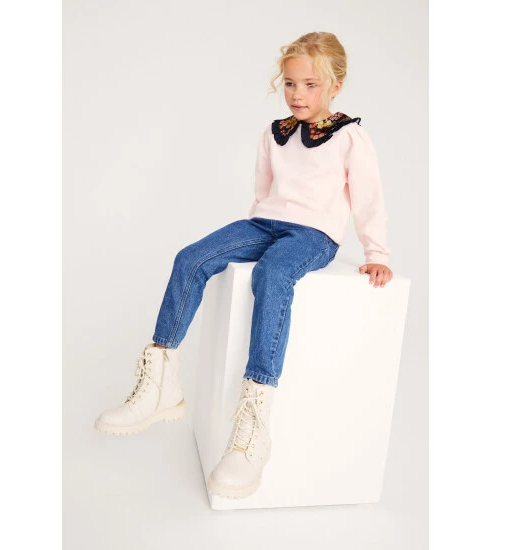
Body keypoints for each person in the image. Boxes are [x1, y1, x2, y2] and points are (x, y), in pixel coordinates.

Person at [94, 31, 394, 500]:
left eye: (310, 85)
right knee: (191, 257)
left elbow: (368, 197)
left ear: (336, 85)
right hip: (264, 222)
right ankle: (161, 380)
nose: (297, 94)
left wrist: (377, 253)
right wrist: (247, 237)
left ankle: (254, 421)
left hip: (314, 234)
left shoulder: (349, 136)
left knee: (273, 273)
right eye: (290, 83)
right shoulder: (274, 134)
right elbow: (263, 193)